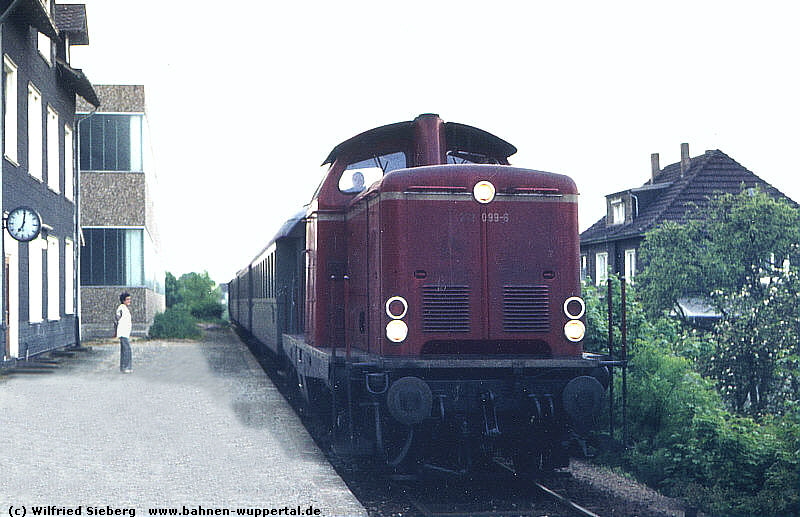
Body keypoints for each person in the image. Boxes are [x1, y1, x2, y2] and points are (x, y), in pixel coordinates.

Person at [115, 292, 132, 373]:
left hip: (125, 333)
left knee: (124, 350)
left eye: (129, 299)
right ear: (123, 300)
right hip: (123, 333)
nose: (129, 301)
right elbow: (117, 318)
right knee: (127, 350)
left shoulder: (124, 308)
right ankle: (125, 367)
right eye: (127, 299)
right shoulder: (121, 308)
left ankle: (123, 367)